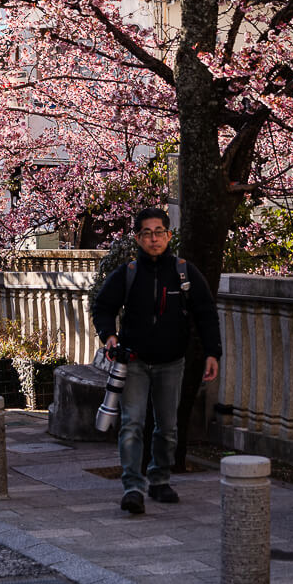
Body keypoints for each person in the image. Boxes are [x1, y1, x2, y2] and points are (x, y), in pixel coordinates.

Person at [90, 207, 222, 516]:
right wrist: (109, 335)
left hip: (171, 361)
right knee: (132, 424)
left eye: (159, 232)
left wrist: (213, 353)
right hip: (133, 361)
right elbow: (103, 306)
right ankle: (133, 487)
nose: (154, 239)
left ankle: (160, 479)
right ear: (137, 238)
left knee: (168, 426)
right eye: (147, 233)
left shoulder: (184, 272)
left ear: (168, 235)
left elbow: (206, 314)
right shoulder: (128, 273)